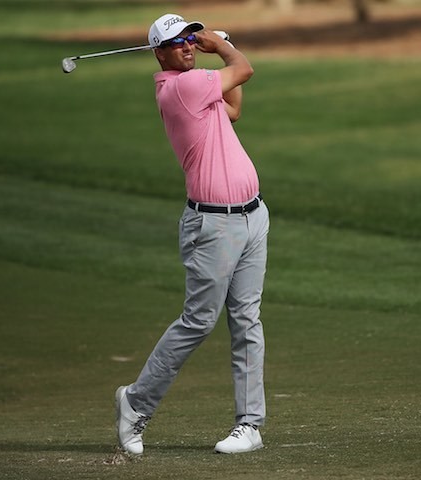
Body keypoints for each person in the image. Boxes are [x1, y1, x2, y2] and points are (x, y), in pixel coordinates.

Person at [115, 13, 270, 455]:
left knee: (246, 320)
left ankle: (249, 425)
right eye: (177, 41)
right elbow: (244, 70)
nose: (187, 45)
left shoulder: (199, 87)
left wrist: (224, 42)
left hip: (253, 216)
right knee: (199, 320)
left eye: (189, 37)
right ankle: (136, 402)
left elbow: (235, 108)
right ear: (159, 53)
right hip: (214, 225)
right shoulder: (181, 88)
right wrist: (221, 44)